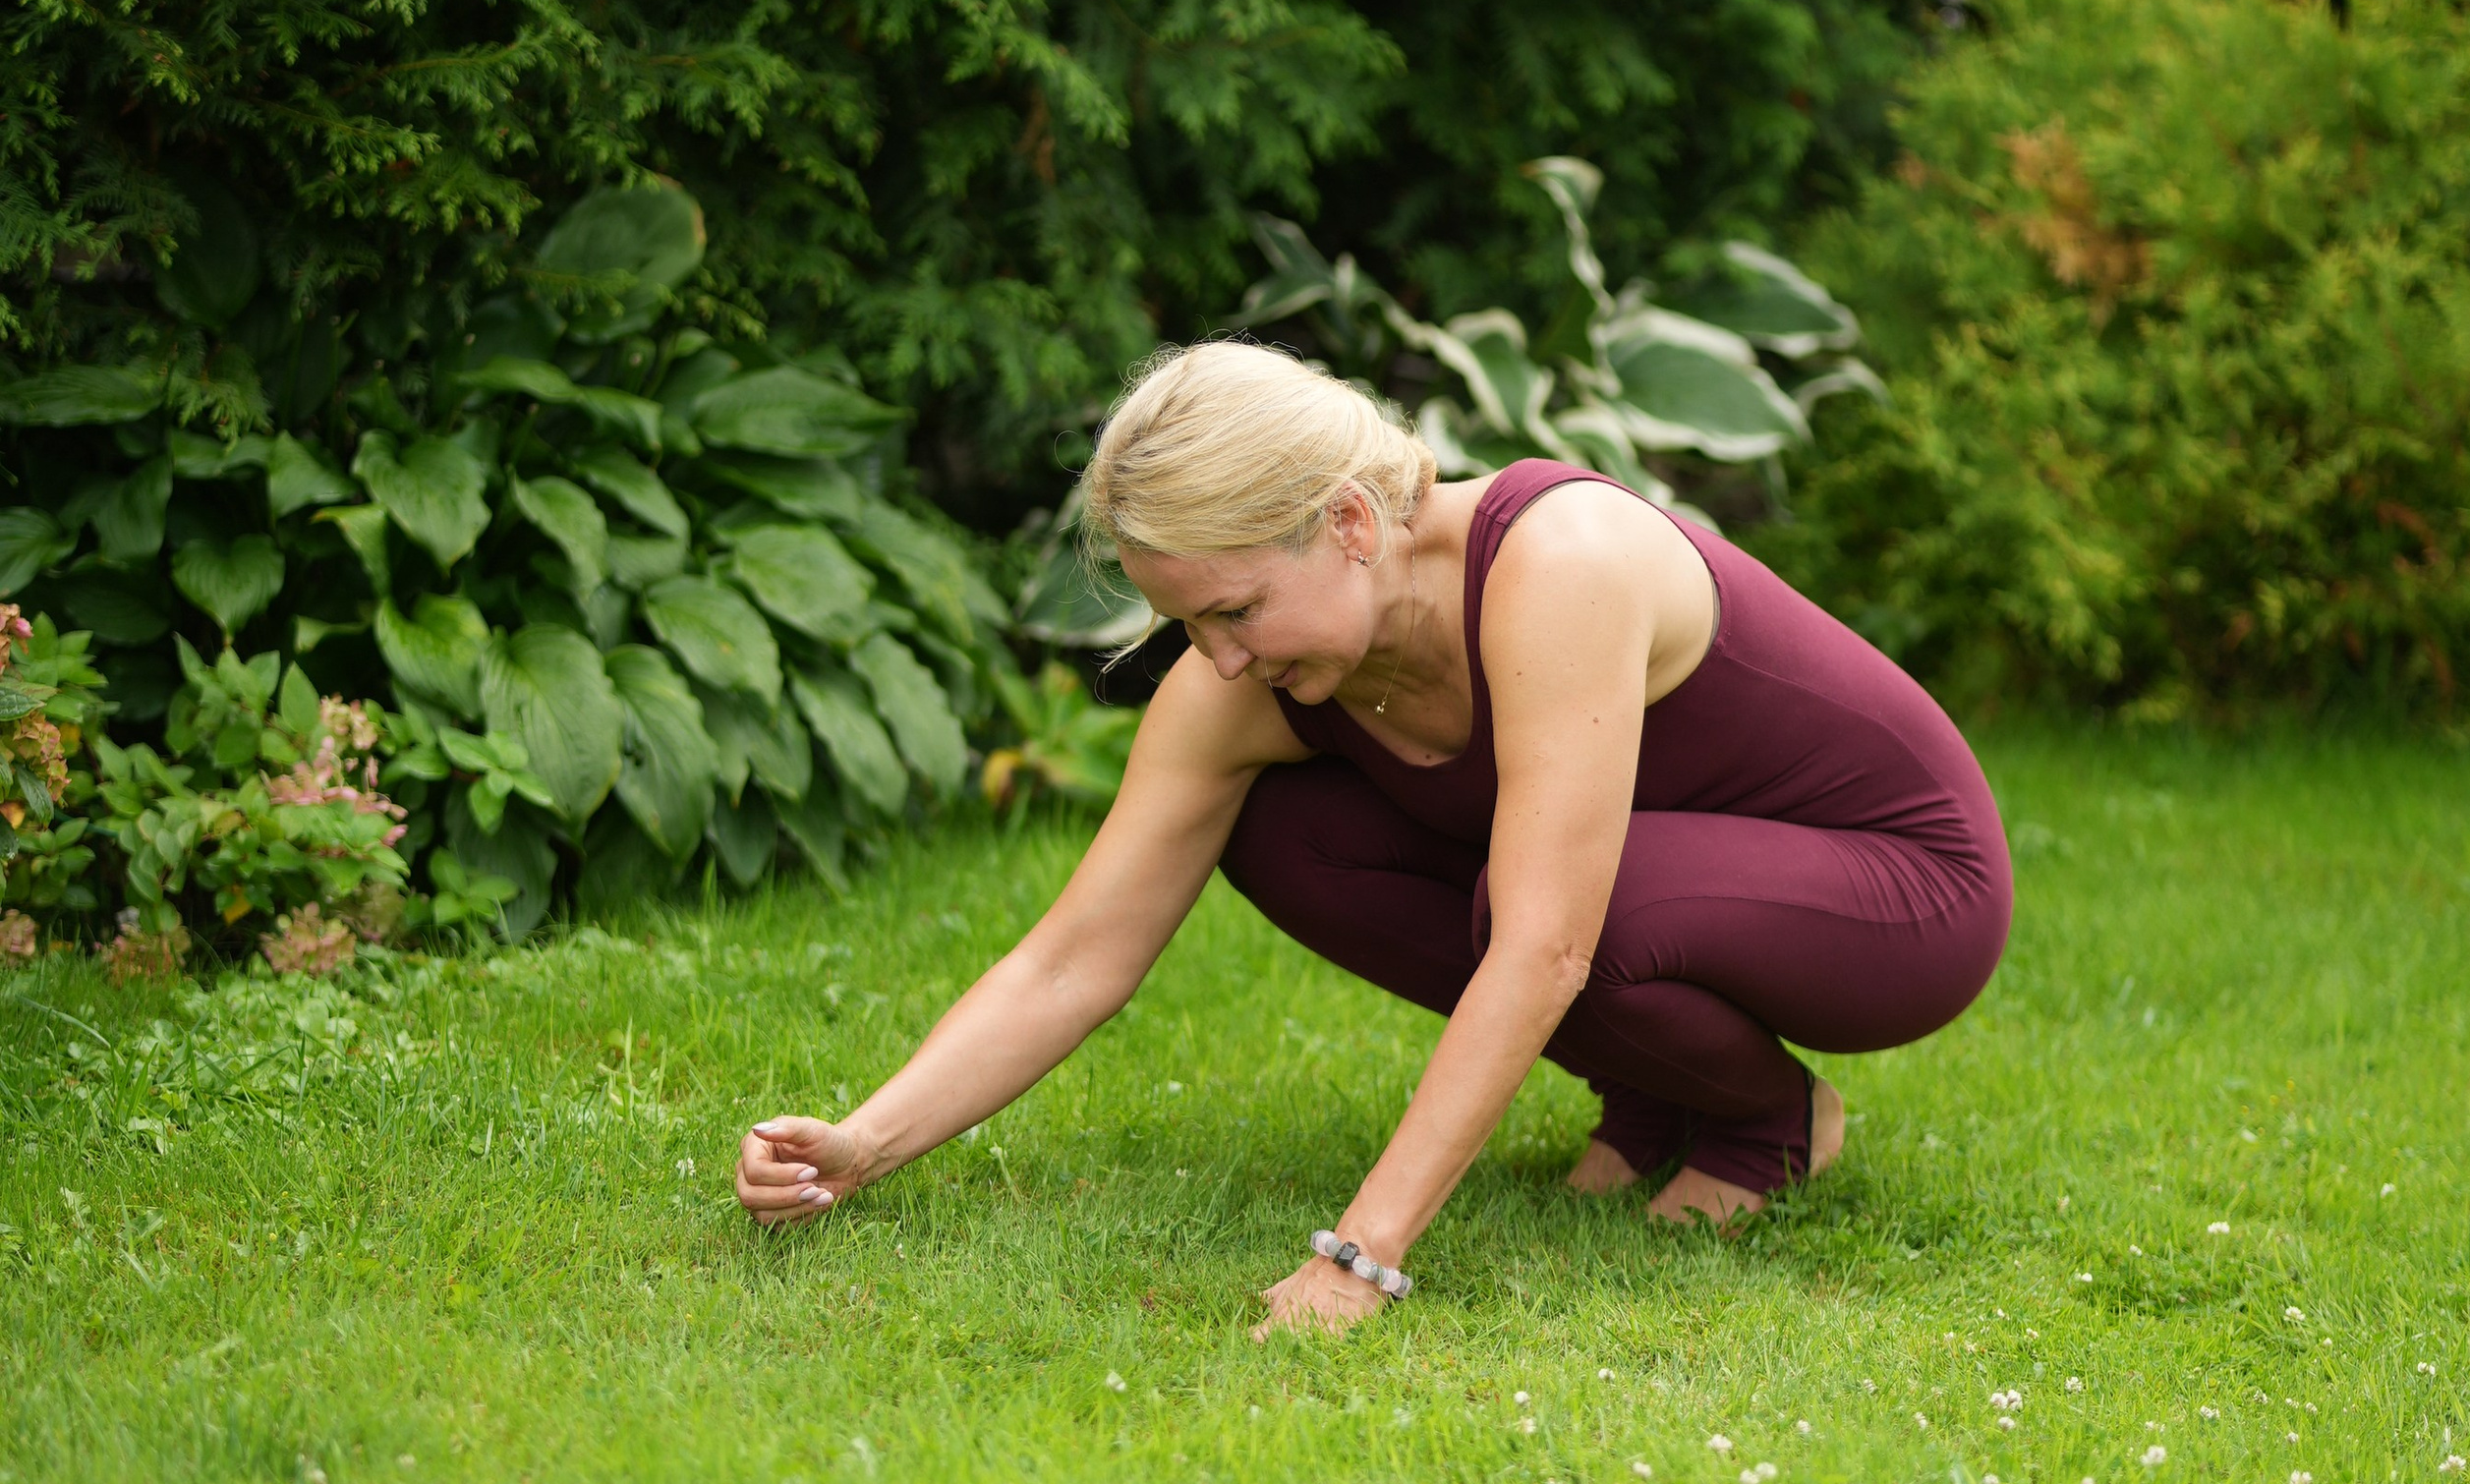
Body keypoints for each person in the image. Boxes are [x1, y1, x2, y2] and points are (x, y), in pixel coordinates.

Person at [737, 342, 2011, 1329]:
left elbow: (1546, 944)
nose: (1219, 658)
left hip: (1901, 890)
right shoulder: (1243, 677)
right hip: (1676, 879)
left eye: (1237, 609)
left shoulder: (1555, 561)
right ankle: (1655, 1088)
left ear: (1351, 523)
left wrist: (1365, 1251)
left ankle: (1765, 1122)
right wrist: (862, 1145)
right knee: (1288, 833)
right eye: (1193, 625)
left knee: (1570, 915)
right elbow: (1074, 958)